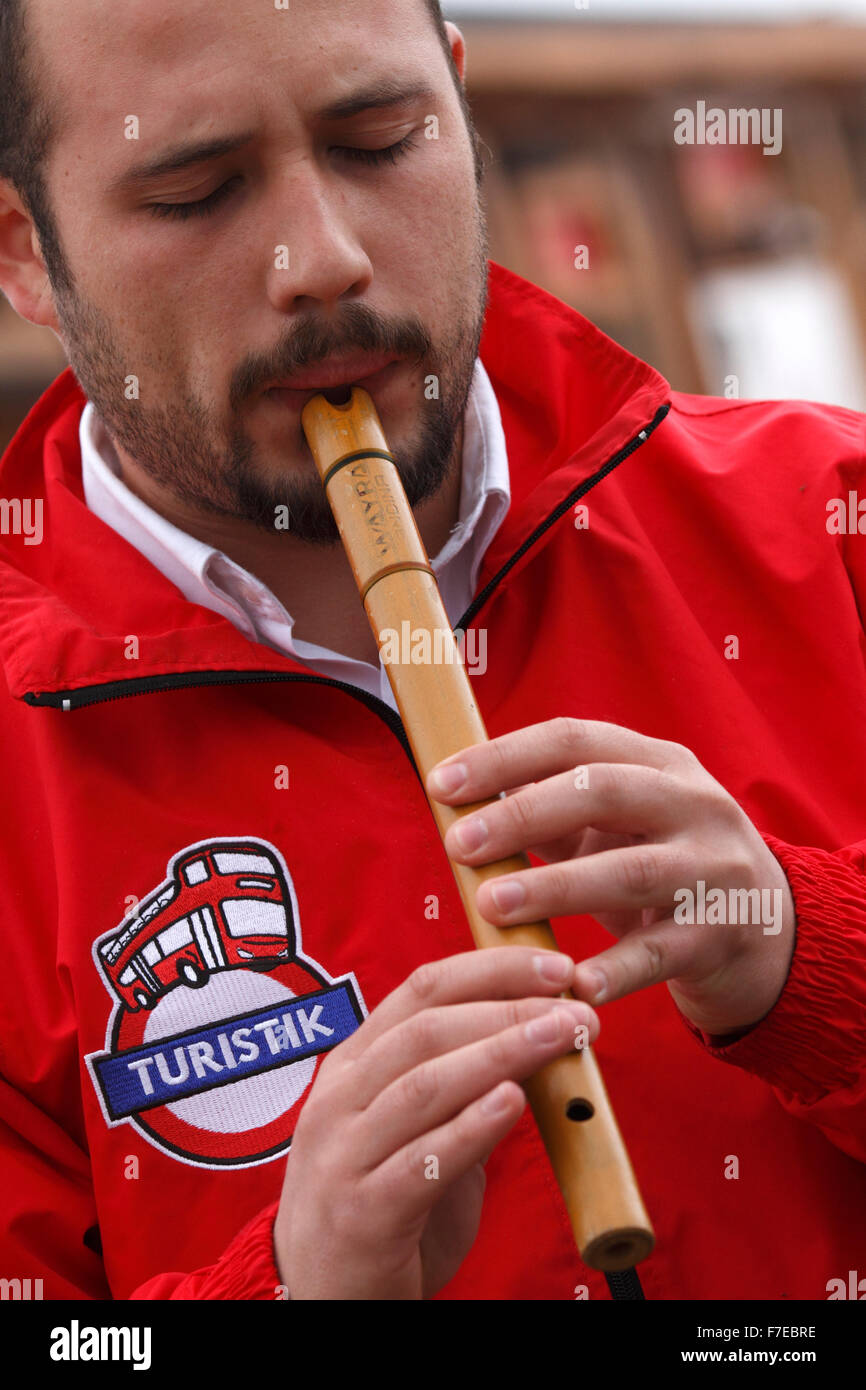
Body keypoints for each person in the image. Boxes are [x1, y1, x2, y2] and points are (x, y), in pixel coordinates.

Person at [0, 0, 863, 1303]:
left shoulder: (827, 516)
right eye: (195, 192)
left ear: (457, 108)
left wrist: (815, 957)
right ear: (21, 252)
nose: (323, 259)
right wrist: (293, 1287)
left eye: (379, 137)